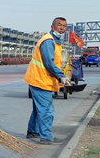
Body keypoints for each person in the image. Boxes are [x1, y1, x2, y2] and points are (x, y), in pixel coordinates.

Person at [24, 17, 71, 145]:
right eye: (59, 25)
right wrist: (61, 76)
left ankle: (33, 131)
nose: (62, 28)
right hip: (40, 80)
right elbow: (48, 63)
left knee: (38, 109)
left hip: (39, 79)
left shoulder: (54, 41)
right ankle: (46, 136)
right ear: (52, 27)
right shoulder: (48, 41)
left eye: (64, 26)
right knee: (47, 110)